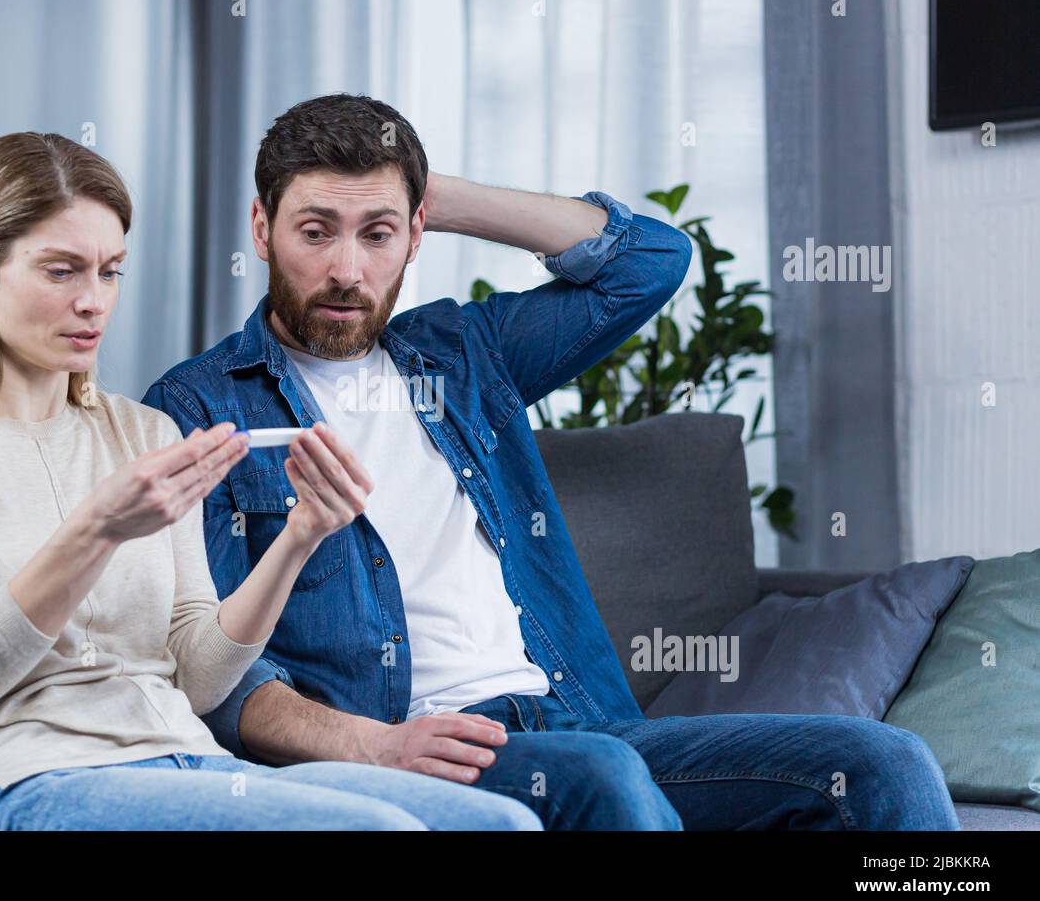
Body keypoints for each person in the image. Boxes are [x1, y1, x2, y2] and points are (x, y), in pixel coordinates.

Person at [143, 93, 961, 831]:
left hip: (579, 722)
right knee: (605, 777)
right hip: (415, 753)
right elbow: (215, 674)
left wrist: (429, 189)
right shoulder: (197, 407)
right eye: (315, 231)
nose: (347, 271)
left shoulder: (463, 353)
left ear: (417, 232)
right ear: (262, 227)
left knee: (883, 764)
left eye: (379, 233)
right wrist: (378, 746)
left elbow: (648, 262)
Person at [0, 131, 541, 832]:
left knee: (498, 824)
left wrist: (299, 537)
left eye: (109, 271)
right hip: (25, 781)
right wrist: (96, 531)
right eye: (61, 271)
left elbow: (199, 678)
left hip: (188, 760)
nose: (93, 302)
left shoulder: (141, 434)